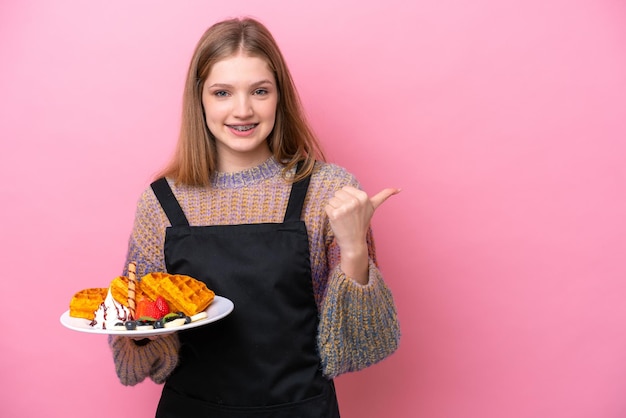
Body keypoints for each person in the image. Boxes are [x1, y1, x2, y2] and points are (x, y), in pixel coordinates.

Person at [108, 16, 400, 417]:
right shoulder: (162, 201)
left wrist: (354, 249)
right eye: (223, 92)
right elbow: (139, 361)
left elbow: (359, 347)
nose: (242, 110)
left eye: (259, 91)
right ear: (201, 100)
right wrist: (136, 331)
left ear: (279, 97)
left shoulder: (327, 192)